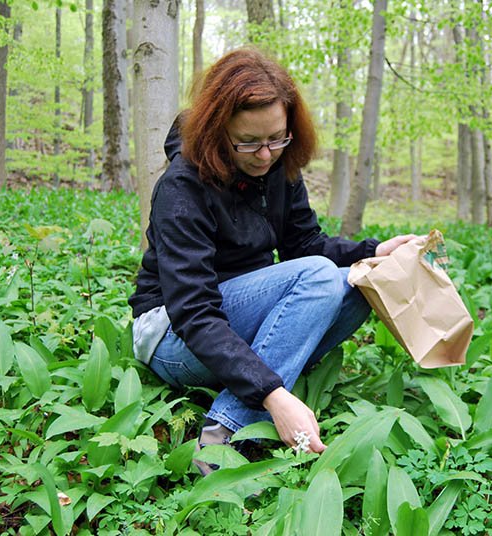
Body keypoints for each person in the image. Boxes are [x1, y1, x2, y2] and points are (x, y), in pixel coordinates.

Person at [128, 48, 415, 475]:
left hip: (237, 319)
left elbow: (305, 245)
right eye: (248, 142)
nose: (265, 155)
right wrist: (273, 396)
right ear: (216, 129)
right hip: (173, 335)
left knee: (356, 285)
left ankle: (255, 386)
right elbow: (194, 312)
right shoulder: (181, 187)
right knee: (320, 279)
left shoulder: (278, 168)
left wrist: (372, 253)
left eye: (277, 139)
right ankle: (224, 435)